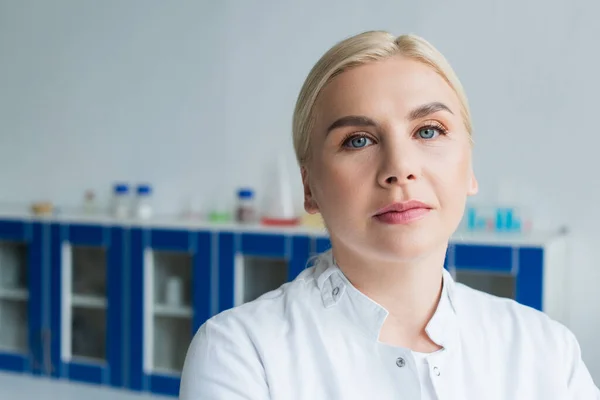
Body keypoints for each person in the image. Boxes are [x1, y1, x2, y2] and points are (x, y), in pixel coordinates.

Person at [179, 30, 600, 399]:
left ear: (469, 168)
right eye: (359, 140)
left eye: (429, 131)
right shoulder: (241, 353)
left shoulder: (545, 350)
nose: (400, 167)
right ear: (310, 188)